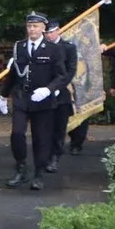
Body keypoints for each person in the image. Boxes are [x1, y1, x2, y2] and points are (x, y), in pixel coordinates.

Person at [0, 12, 69, 191]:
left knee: (41, 138)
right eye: (29, 26)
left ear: (43, 28)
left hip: (43, 100)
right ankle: (20, 168)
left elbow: (62, 76)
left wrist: (48, 90)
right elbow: (13, 74)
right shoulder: (19, 47)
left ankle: (38, 174)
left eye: (35, 26)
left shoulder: (53, 49)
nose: (32, 29)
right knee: (17, 134)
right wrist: (3, 95)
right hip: (22, 97)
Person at [43, 18, 77, 173]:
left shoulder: (68, 48)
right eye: (47, 33)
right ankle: (44, 156)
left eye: (51, 32)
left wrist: (57, 87)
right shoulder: (42, 47)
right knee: (45, 127)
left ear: (58, 31)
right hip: (43, 92)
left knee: (59, 127)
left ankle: (55, 156)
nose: (49, 35)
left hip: (61, 93)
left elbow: (71, 71)